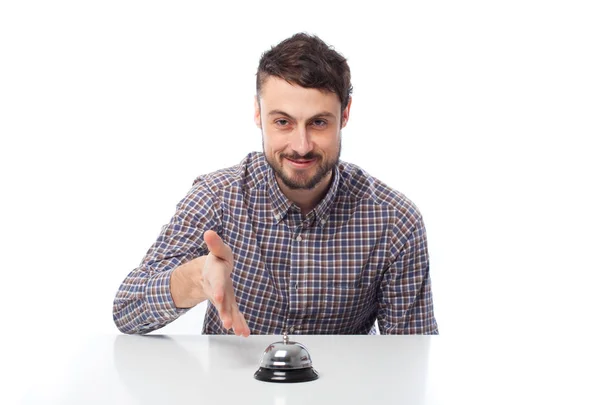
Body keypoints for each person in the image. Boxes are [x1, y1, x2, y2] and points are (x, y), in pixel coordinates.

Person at [113, 32, 438, 336]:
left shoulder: (395, 221)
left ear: (346, 114)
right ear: (258, 114)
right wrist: (196, 280)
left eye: (319, 123)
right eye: (283, 122)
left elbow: (413, 354)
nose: (301, 145)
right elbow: (127, 311)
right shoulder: (218, 198)